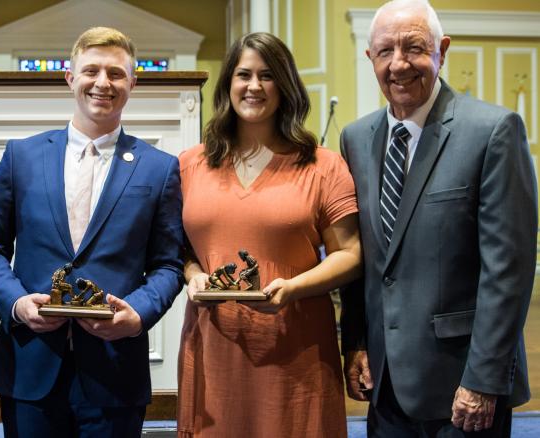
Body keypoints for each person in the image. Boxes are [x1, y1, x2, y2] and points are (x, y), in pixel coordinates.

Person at [339, 1, 537, 436]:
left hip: (462, 386)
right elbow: (361, 258)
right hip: (385, 383)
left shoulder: (493, 130)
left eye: (414, 47)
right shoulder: (354, 139)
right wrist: (353, 342)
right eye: (385, 51)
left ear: (441, 51)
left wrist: (483, 381)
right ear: (370, 58)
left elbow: (509, 271)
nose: (399, 63)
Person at [0, 27, 183, 437]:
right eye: (91, 70)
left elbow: (168, 265)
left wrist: (138, 315)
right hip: (31, 368)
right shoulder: (21, 156)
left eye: (116, 73)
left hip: (114, 371)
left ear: (132, 83)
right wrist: (17, 304)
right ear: (70, 78)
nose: (102, 83)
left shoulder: (159, 168)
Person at [177, 32, 362, 437]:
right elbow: (179, 250)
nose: (254, 86)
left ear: (286, 85)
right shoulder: (191, 163)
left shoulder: (322, 166)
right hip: (213, 344)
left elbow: (349, 254)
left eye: (267, 75)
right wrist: (194, 277)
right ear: (228, 84)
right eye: (244, 74)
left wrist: (292, 288)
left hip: (296, 345)